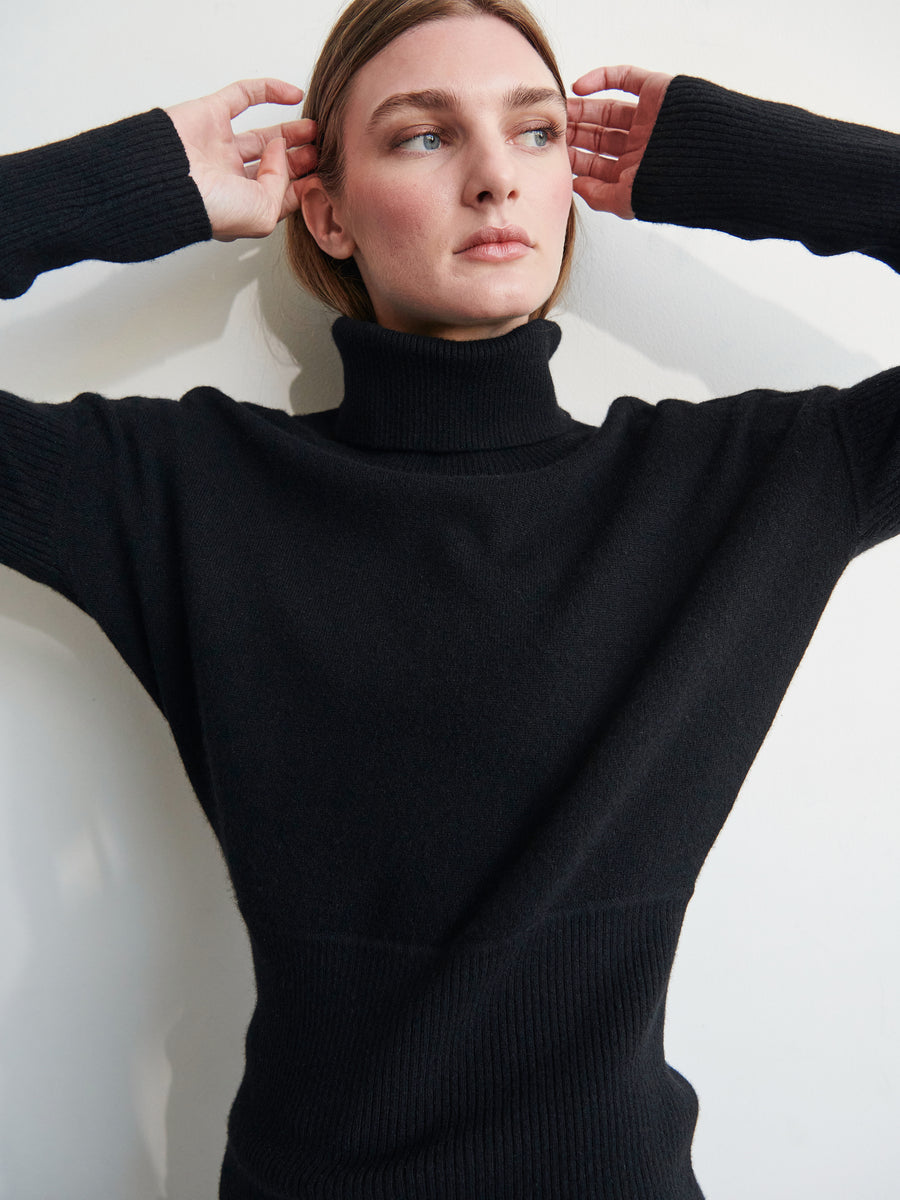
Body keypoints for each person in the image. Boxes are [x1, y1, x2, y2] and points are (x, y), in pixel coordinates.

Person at [1, 0, 898, 1195]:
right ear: (323, 206)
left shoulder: (742, 490)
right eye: (424, 137)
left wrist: (750, 164)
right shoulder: (183, 493)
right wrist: (133, 183)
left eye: (534, 134)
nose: (494, 179)